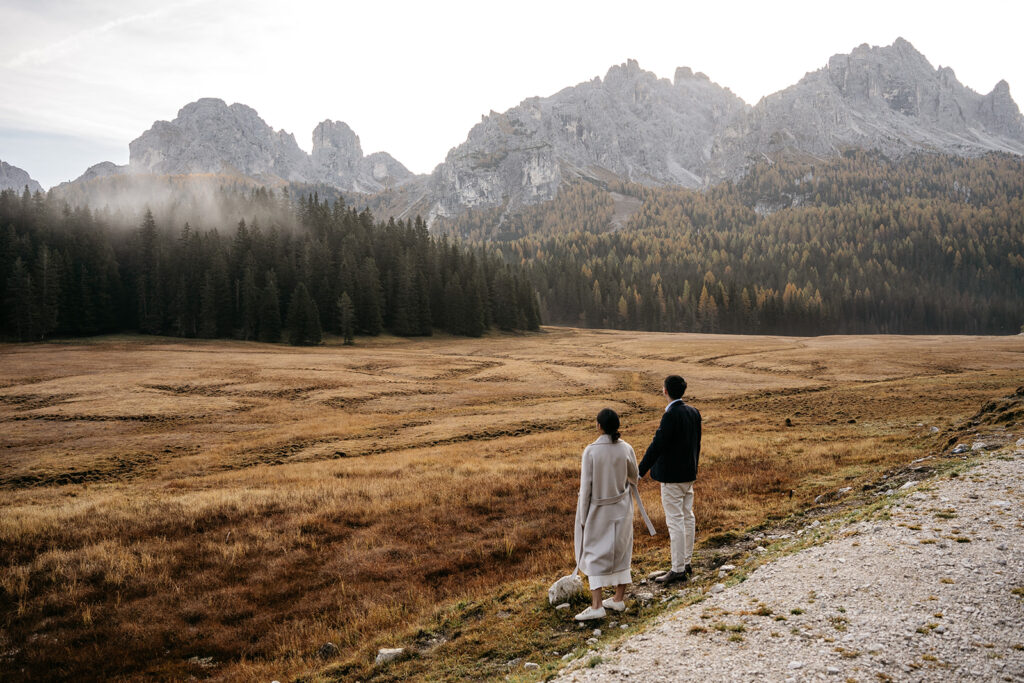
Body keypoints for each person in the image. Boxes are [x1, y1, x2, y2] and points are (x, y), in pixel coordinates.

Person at [573, 408, 655, 621]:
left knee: (594, 553)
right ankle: (618, 599)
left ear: (598, 425)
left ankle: (597, 604)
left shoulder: (591, 451)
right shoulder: (626, 448)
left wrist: (582, 517)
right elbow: (634, 476)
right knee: (621, 550)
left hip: (598, 510)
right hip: (622, 507)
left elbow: (586, 488)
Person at [638, 375, 702, 585]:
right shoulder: (694, 412)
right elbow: (696, 444)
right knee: (687, 517)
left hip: (672, 478)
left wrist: (640, 471)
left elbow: (658, 445)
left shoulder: (671, 415)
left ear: (665, 391)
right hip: (688, 475)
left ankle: (677, 569)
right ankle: (686, 562)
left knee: (675, 521)